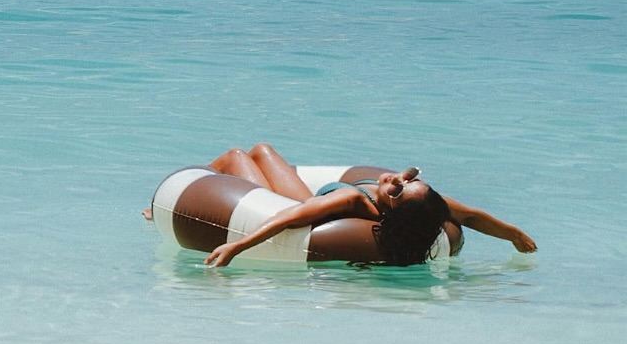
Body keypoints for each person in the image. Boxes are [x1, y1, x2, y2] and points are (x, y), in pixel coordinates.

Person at [182, 142, 536, 268]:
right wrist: (514, 235)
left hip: (297, 204)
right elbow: (471, 215)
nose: (397, 180)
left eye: (399, 189)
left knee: (242, 154)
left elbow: (289, 216)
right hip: (315, 198)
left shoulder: (353, 198)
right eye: (408, 177)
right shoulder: (420, 206)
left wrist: (236, 247)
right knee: (262, 151)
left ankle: (170, 204)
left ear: (393, 211)